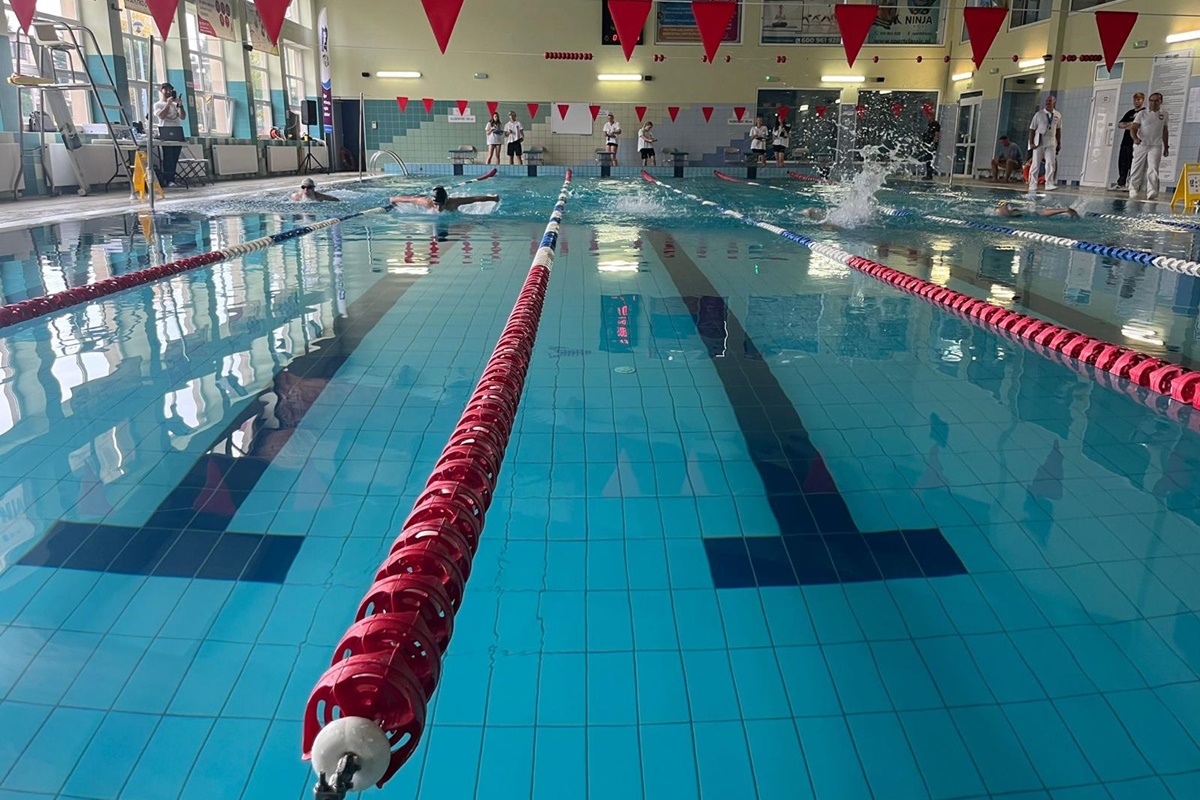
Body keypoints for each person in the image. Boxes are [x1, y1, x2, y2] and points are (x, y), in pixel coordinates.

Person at [1128, 91, 1170, 201]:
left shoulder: (1164, 114)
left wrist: (1166, 146)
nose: (1153, 103)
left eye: (1156, 101)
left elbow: (1165, 131)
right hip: (1141, 144)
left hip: (1156, 145)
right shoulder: (1142, 113)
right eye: (1151, 100)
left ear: (1161, 101)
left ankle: (1152, 191)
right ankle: (1133, 188)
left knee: (1153, 168)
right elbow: (1133, 128)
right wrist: (1135, 138)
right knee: (1137, 166)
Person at [152, 82, 186, 187]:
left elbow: (182, 117)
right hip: (165, 132)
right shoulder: (158, 105)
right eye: (166, 90)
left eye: (170, 90)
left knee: (175, 157)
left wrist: (180, 105)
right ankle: (168, 180)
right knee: (168, 157)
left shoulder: (175, 105)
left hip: (177, 132)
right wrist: (168, 104)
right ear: (161, 91)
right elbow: (161, 116)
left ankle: (173, 179)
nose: (168, 92)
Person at [1027, 94, 1062, 193]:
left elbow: (1058, 129)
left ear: (1054, 102)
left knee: (1050, 162)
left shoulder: (1058, 115)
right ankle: (1032, 183)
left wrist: (1059, 142)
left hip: (1051, 141)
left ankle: (1049, 183)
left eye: (1050, 101)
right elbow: (1032, 129)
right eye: (1047, 101)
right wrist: (1031, 142)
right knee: (1035, 163)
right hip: (1039, 140)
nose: (1047, 103)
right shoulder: (1039, 114)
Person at [1112, 91, 1144, 190]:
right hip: (1125, 141)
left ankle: (1131, 183)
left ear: (1142, 101)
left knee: (1132, 162)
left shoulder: (1144, 112)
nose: (1136, 102)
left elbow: (1138, 126)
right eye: (1135, 100)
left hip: (1136, 141)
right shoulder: (1130, 112)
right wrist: (1130, 124)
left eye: (1138, 100)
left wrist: (1129, 125)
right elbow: (1120, 124)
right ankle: (1121, 182)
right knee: (1122, 161)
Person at [390, 186, 499, 213]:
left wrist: (493, 198)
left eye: (441, 205)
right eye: (436, 204)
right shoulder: (427, 202)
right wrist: (393, 200)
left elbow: (474, 199)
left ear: (446, 201)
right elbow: (409, 199)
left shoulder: (454, 203)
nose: (438, 208)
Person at [996, 201, 1077, 218]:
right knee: (1041, 212)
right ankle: (1064, 210)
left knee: (1041, 213)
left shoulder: (1004, 213)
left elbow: (1005, 212)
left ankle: (1064, 210)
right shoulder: (1014, 211)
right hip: (1025, 211)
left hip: (1026, 212)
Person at [921, 112, 941, 179]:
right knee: (927, 159)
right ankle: (928, 174)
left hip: (931, 144)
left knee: (929, 159)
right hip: (927, 144)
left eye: (928, 116)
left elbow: (937, 134)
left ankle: (929, 174)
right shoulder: (929, 125)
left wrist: (933, 143)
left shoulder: (935, 124)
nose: (927, 118)